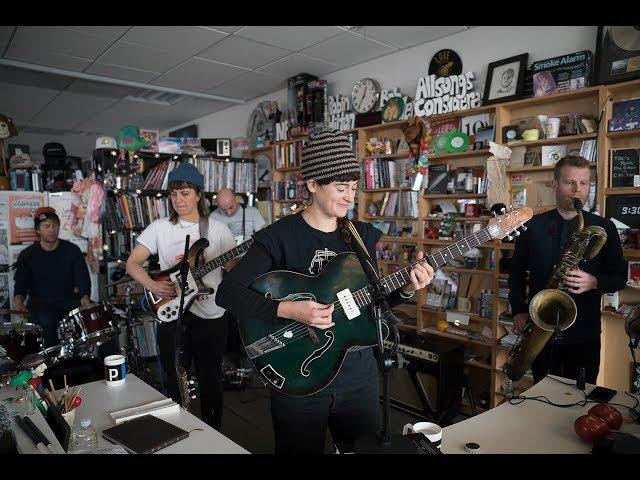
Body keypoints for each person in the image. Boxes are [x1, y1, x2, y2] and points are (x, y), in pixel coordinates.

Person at [216, 129, 435, 454]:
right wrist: (289, 310)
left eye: (354, 188)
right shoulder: (279, 236)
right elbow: (228, 293)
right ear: (312, 185)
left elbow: (373, 298)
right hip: (299, 376)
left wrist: (405, 288)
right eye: (341, 187)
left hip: (359, 374)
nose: (350, 197)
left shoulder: (362, 235)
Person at [126, 162, 237, 429]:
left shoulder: (218, 230)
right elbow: (132, 263)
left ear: (199, 195)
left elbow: (234, 270)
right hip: (173, 313)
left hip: (211, 315)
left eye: (185, 193)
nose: (178, 200)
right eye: (174, 193)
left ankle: (213, 435)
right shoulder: (160, 227)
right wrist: (152, 285)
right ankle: (178, 432)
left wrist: (239, 264)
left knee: (211, 379)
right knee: (174, 377)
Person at [509, 155, 627, 384]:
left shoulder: (604, 227)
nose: (577, 191)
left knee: (582, 399)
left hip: (584, 332)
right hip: (540, 329)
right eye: (569, 182)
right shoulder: (532, 226)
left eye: (584, 183)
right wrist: (518, 310)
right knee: (541, 396)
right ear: (554, 184)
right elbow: (515, 272)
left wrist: (594, 282)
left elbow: (619, 278)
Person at [13, 207, 91, 348]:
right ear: (38, 230)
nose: (51, 229)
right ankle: (53, 365)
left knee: (97, 319)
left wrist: (85, 296)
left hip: (68, 300)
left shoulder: (72, 250)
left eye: (55, 225)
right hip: (40, 303)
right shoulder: (27, 255)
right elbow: (20, 285)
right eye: (46, 226)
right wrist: (19, 302)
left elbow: (82, 278)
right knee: (48, 324)